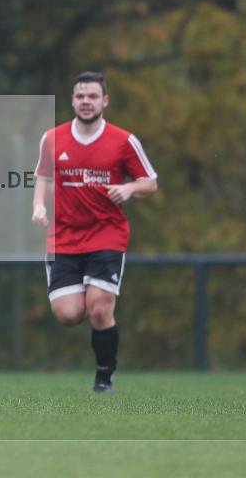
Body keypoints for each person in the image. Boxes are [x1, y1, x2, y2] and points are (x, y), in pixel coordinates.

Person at [32, 72, 158, 393]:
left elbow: (150, 183)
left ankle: (104, 377)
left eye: (92, 96)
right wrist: (39, 206)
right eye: (80, 96)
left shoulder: (124, 141)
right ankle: (97, 325)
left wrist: (129, 189)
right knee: (69, 313)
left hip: (107, 234)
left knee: (100, 308)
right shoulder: (52, 139)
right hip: (64, 237)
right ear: (72, 101)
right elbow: (44, 177)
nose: (85, 102)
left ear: (104, 101)